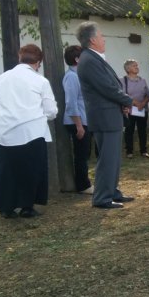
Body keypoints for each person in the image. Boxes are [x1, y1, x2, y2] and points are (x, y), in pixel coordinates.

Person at [0, 44, 57, 218]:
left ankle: (6, 207)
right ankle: (27, 206)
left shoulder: (2, 78)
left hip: (6, 131)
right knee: (31, 171)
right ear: (38, 62)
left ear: (20, 57)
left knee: (6, 172)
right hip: (32, 131)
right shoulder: (40, 81)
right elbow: (51, 110)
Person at [76, 21, 135, 209]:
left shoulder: (93, 58)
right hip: (104, 116)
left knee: (114, 158)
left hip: (110, 114)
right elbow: (107, 87)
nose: (104, 39)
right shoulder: (89, 60)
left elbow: (110, 85)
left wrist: (121, 104)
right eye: (101, 36)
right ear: (93, 40)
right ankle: (102, 197)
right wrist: (127, 100)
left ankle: (112, 191)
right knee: (108, 159)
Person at [61, 45, 93, 194]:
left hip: (84, 120)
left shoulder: (79, 75)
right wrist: (79, 125)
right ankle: (83, 185)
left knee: (85, 153)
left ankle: (84, 181)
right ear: (77, 59)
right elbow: (71, 103)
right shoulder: (71, 77)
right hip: (77, 121)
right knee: (81, 154)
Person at [121, 59, 149, 158]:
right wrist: (135, 102)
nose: (137, 67)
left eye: (137, 65)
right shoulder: (123, 80)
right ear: (128, 69)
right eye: (134, 66)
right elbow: (122, 95)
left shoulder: (142, 80)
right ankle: (129, 151)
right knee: (129, 130)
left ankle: (144, 151)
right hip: (129, 110)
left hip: (142, 110)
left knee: (142, 130)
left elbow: (148, 95)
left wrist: (143, 103)